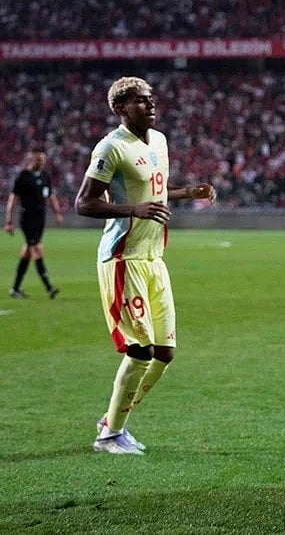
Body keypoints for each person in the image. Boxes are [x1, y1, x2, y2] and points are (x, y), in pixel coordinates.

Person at [76, 76, 216, 455]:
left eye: (151, 99)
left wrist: (186, 192)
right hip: (123, 259)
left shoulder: (160, 141)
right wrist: (132, 210)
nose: (151, 105)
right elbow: (84, 203)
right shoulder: (111, 148)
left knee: (164, 353)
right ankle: (109, 436)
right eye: (140, 101)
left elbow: (152, 191)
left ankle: (113, 420)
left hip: (155, 258)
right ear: (121, 108)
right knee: (139, 350)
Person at [5, 149, 63, 299]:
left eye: (43, 160)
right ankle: (49, 287)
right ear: (32, 160)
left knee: (27, 252)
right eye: (39, 160)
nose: (42, 163)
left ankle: (15, 289)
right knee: (37, 248)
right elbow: (13, 199)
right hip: (27, 218)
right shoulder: (23, 177)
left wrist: (57, 213)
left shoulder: (45, 176)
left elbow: (50, 196)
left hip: (40, 219)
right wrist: (9, 221)